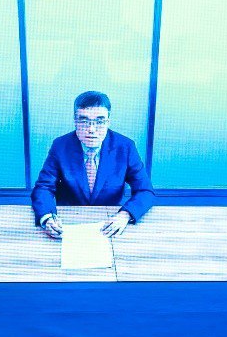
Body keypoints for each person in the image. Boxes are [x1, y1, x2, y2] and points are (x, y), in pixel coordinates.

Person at [31, 91, 156, 239]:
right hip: (68, 222)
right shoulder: (60, 146)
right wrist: (47, 218)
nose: (91, 129)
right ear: (75, 121)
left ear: (108, 122)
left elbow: (145, 191)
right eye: (84, 121)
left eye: (99, 121)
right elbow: (43, 187)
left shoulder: (125, 147)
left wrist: (125, 215)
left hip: (110, 221)